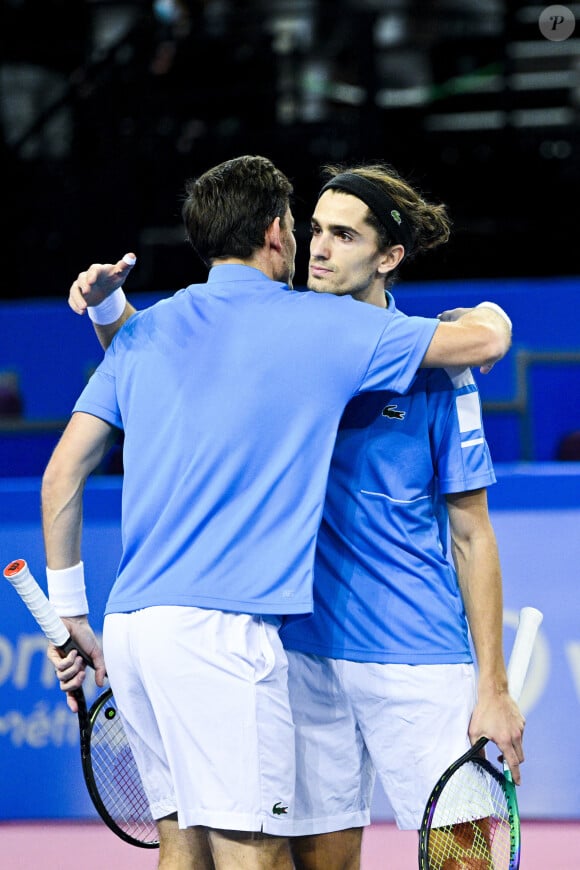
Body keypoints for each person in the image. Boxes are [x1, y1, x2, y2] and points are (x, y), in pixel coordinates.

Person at [49, 154, 512, 870]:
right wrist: (112, 313)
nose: (319, 249)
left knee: (466, 860)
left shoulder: (433, 369)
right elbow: (171, 367)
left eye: (344, 236)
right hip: (299, 653)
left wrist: (494, 687)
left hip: (415, 653)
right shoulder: (286, 330)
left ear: (389, 256)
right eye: (314, 229)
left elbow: (472, 534)